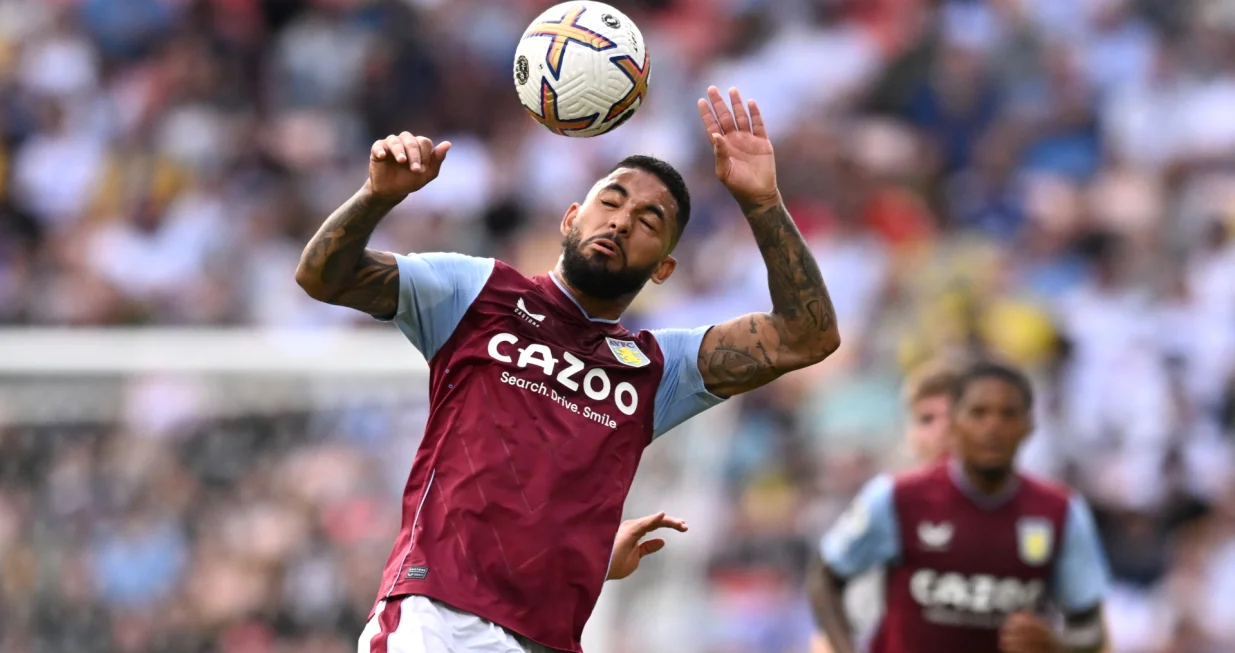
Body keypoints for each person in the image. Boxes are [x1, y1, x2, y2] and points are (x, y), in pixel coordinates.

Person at [295, 85, 841, 653]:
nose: (623, 221)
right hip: (439, 621)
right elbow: (322, 277)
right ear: (571, 217)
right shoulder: (476, 292)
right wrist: (376, 197)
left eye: (649, 220)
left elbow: (809, 334)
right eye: (612, 201)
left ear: (664, 268)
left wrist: (761, 203)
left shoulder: (658, 368)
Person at [809, 361, 1109, 653]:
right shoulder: (896, 498)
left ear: (1029, 426)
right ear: (956, 423)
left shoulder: (1060, 511)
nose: (993, 427)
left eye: (1008, 414)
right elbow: (824, 576)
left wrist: (1057, 646)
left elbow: (1090, 626)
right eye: (979, 413)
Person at [811, 358, 965, 653]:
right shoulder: (891, 506)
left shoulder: (1036, 510)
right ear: (908, 435)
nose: (943, 431)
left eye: (954, 415)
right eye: (926, 419)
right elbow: (828, 596)